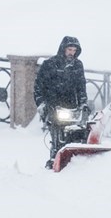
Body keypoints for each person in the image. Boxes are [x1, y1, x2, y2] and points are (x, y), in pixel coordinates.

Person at [33, 36, 88, 169]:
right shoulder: (50, 64)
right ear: (63, 49)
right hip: (53, 107)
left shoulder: (77, 65)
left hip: (72, 109)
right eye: (69, 49)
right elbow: (39, 87)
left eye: (74, 50)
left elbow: (81, 86)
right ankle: (55, 160)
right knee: (58, 137)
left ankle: (75, 163)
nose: (72, 53)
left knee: (76, 135)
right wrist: (43, 105)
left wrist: (83, 104)